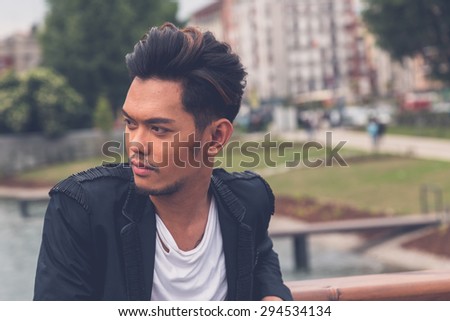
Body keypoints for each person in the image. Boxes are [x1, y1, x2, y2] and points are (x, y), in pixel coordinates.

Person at [33, 23, 292, 301]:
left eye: (158, 129)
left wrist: (273, 298)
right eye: (130, 123)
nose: (135, 144)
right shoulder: (80, 209)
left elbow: (262, 256)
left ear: (216, 136)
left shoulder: (249, 200)